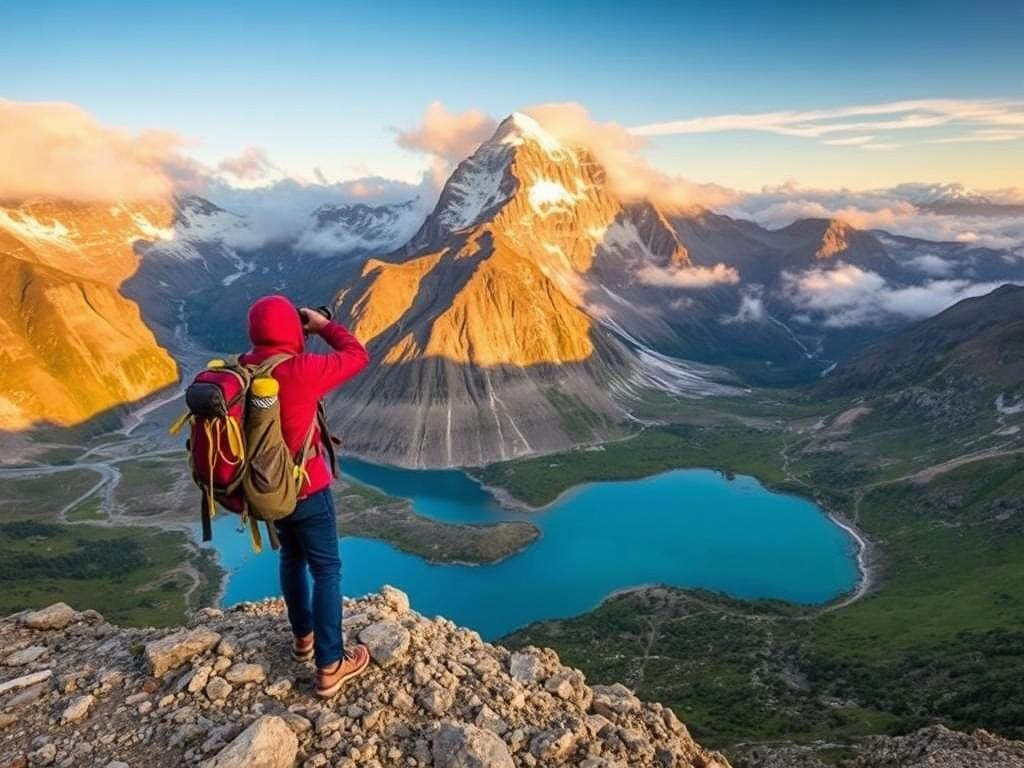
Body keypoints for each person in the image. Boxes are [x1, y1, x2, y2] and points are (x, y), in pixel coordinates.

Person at [239, 294, 371, 697]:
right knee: (327, 570)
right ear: (291, 329)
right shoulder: (303, 369)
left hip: (269, 489)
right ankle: (331, 664)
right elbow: (356, 355)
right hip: (309, 489)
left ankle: (303, 640)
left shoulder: (244, 368)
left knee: (291, 557)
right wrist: (323, 326)